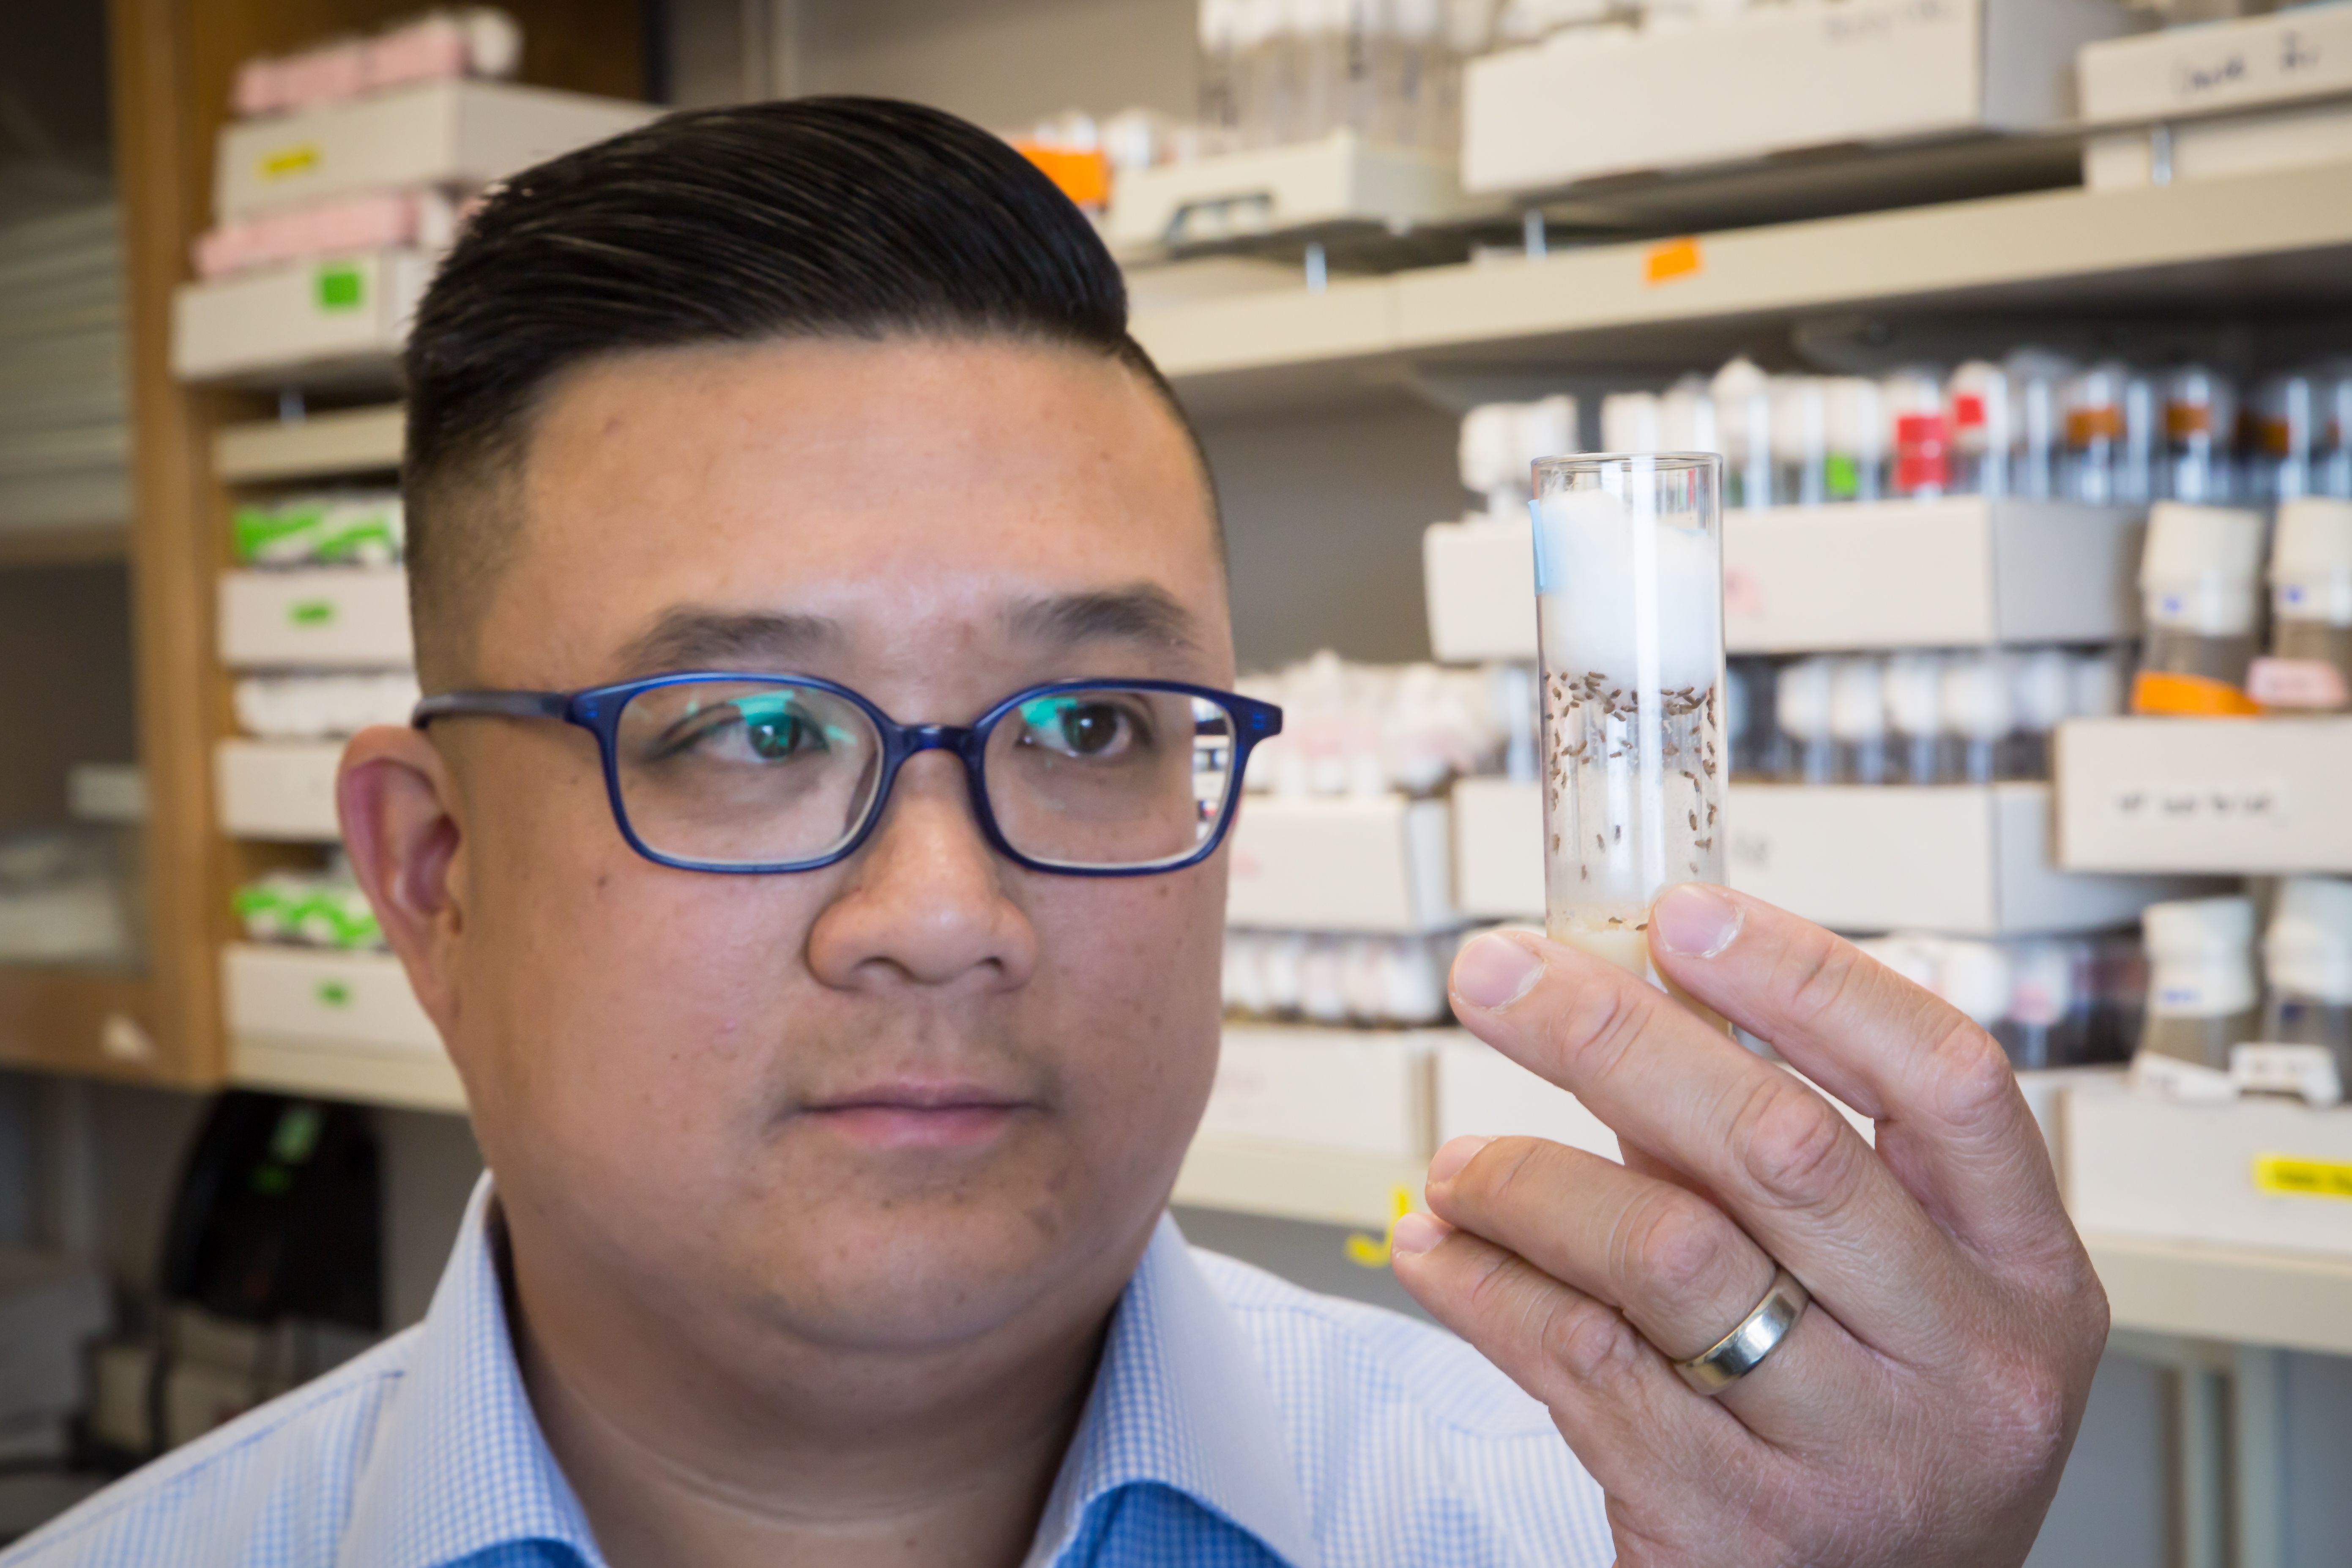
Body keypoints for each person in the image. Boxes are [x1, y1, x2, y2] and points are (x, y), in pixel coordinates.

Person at [6, 99, 2107, 1568]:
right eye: (747, 725)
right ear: (430, 877)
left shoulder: (1604, 1533)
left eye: (1091, 719)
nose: (942, 915)